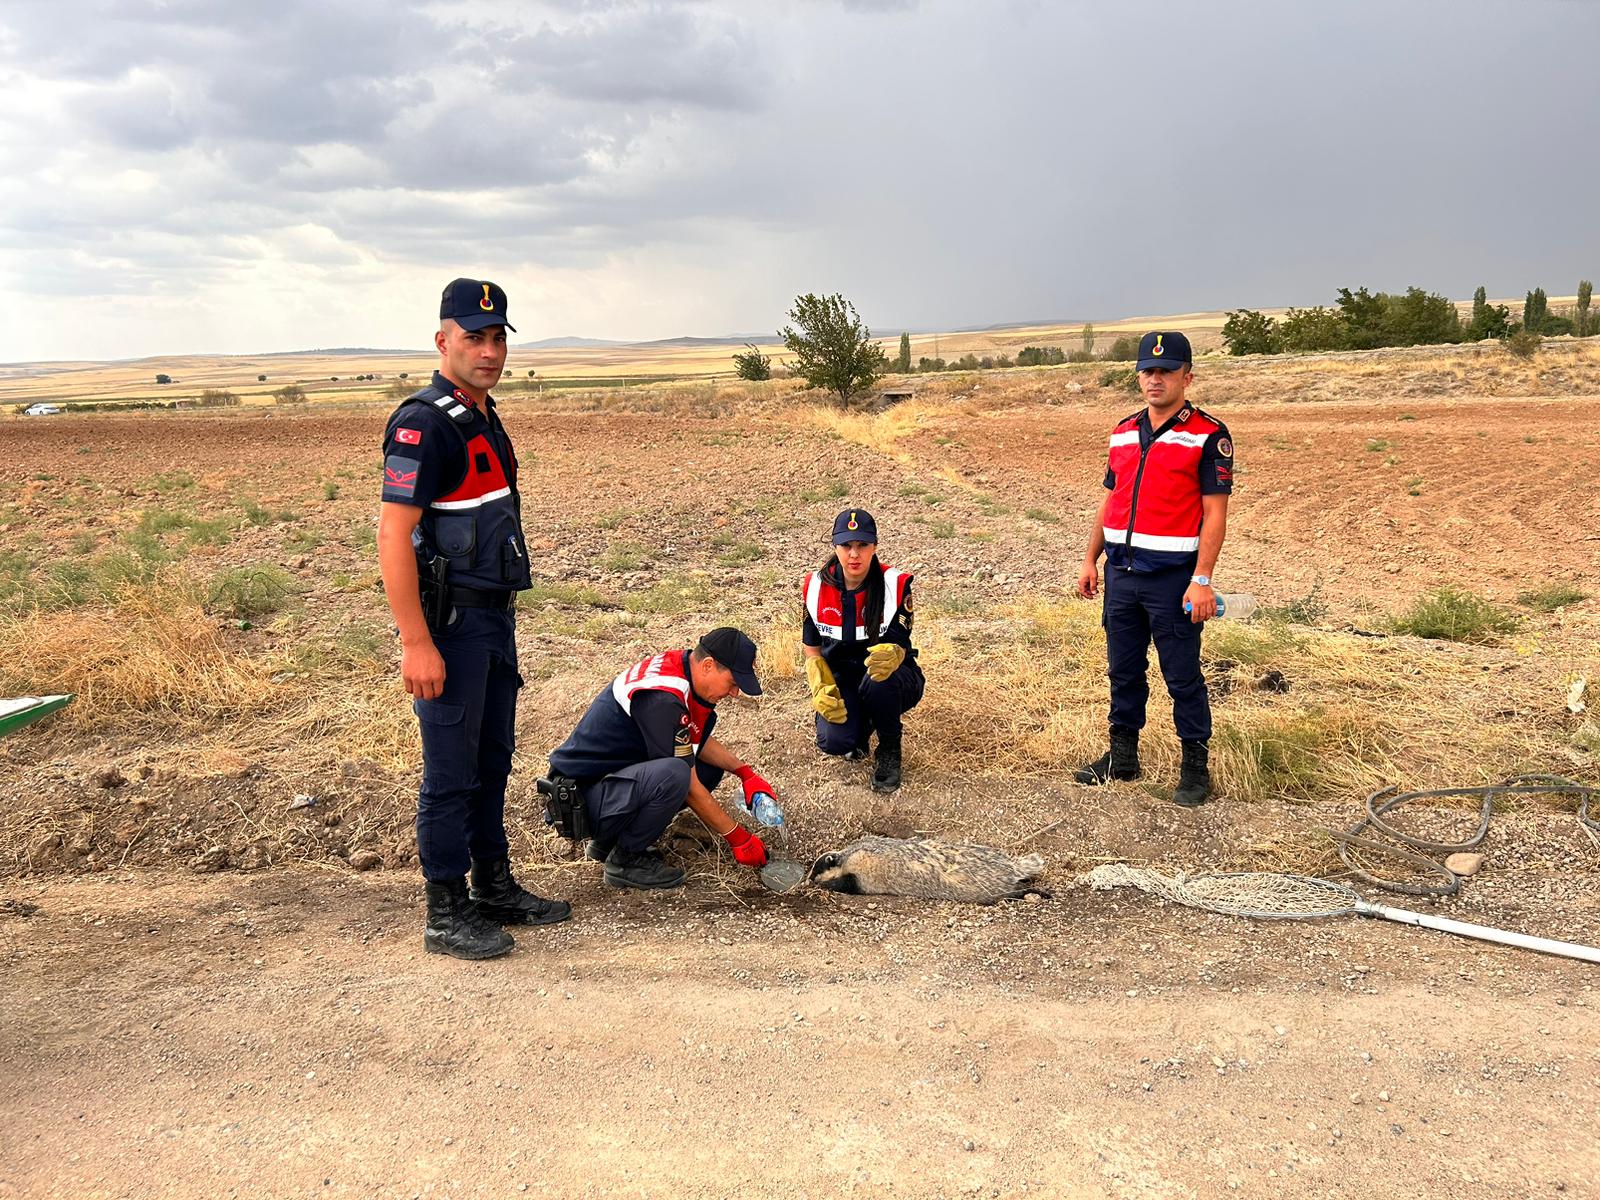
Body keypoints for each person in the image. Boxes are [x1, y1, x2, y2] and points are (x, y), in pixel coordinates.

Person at [377, 278, 570, 961]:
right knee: (450, 772)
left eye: (497, 338)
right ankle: (445, 910)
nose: (488, 351)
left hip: (493, 622)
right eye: (473, 338)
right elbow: (393, 536)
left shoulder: (482, 415)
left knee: (491, 763)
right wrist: (416, 641)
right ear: (442, 341)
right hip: (452, 628)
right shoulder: (423, 423)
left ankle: (493, 885)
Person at [1075, 330, 1233, 807]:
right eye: (1147, 370)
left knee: (1181, 675)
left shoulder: (1208, 435)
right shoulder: (1123, 431)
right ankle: (1123, 759)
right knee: (1123, 671)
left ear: (1187, 375)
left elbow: (1215, 513)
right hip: (1121, 574)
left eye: (1165, 371)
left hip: (1172, 580)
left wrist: (1201, 579)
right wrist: (1090, 557)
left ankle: (1194, 770)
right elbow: (1112, 498)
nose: (1155, 379)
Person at [547, 628, 775, 890]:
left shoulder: (682, 667)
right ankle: (626, 859)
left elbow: (689, 738)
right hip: (579, 800)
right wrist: (738, 838)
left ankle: (608, 840)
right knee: (675, 774)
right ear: (708, 666)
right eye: (733, 683)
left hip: (601, 788)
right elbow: (688, 785)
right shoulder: (663, 699)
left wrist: (745, 772)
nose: (735, 694)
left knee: (706, 770)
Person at [800, 508, 924, 792]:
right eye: (846, 545)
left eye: (862, 545)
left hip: (891, 679)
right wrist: (819, 683)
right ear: (835, 546)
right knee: (835, 740)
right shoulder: (815, 587)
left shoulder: (895, 585)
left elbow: (899, 643)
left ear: (874, 546)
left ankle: (890, 749)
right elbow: (812, 648)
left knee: (880, 681)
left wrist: (895, 653)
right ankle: (862, 726)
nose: (854, 554)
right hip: (844, 679)